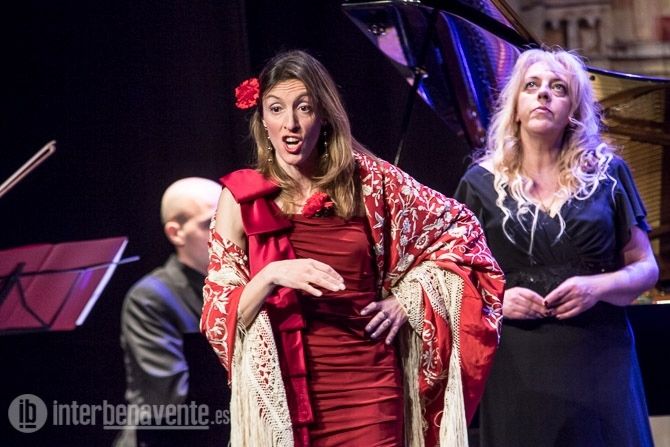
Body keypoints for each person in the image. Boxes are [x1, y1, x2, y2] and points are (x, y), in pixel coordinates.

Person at [200, 49, 505, 447]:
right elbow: (219, 314)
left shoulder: (370, 181)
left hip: (369, 387)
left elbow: (462, 233)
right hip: (284, 393)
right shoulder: (240, 197)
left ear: (324, 116)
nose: (290, 124)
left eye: (304, 108)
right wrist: (272, 274)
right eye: (276, 109)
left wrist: (408, 299)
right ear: (262, 119)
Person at [454, 48, 658, 447]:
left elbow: (646, 267)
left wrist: (595, 287)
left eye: (558, 88)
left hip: (601, 355)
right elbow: (453, 281)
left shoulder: (609, 175)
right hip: (518, 363)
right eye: (532, 86)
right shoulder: (478, 184)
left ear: (573, 111)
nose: (544, 94)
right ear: (516, 107)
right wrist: (496, 300)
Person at [116, 177, 221, 447]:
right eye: (210, 224)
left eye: (227, 220)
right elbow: (171, 399)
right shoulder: (150, 298)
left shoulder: (236, 286)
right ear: (176, 233)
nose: (225, 233)